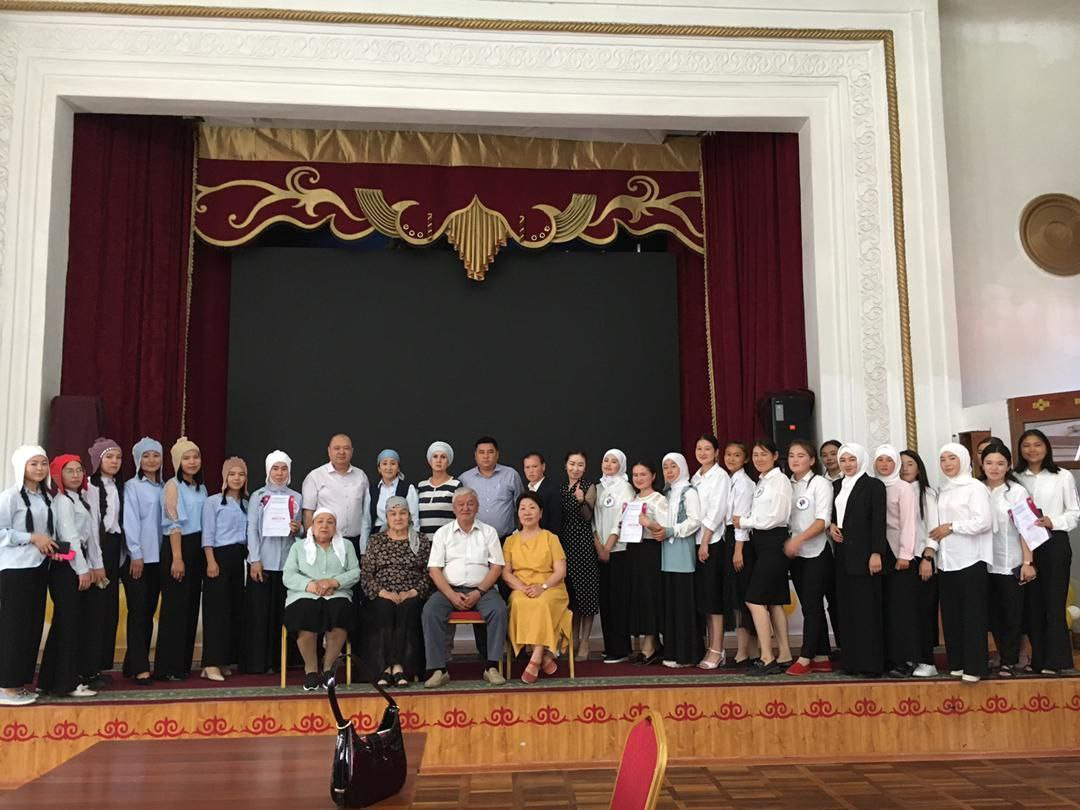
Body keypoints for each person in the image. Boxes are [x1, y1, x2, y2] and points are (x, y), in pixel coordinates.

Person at [422, 487, 508, 687]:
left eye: (470, 504)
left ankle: (492, 667)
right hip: (449, 590)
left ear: (477, 507)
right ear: (454, 509)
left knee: (499, 610)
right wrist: (451, 595)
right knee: (430, 611)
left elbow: (497, 567)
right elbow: (434, 569)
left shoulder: (489, 532)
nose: (465, 508)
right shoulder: (443, 533)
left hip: (483, 590)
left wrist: (479, 592)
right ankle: (438, 670)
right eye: (460, 504)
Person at [1015, 429, 1078, 675]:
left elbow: (1074, 512)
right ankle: (1038, 660)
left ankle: (1058, 661)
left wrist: (1054, 521)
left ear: (1047, 447)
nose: (1032, 450)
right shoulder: (1016, 477)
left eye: (1037, 444)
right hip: (1025, 545)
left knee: (1054, 602)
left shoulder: (1062, 476)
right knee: (1032, 605)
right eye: (1026, 445)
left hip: (1054, 543)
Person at [932, 442, 993, 683]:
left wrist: (952, 527)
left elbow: (983, 522)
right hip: (947, 561)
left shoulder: (975, 487)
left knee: (972, 616)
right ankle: (957, 662)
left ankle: (975, 666)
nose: (947, 463)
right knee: (951, 615)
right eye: (943, 459)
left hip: (971, 559)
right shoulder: (944, 489)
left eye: (952, 458)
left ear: (964, 460)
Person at [0, 445, 56, 706]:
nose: (39, 468)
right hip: (15, 569)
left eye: (43, 463)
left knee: (32, 627)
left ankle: (19, 682)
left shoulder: (46, 497)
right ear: (21, 466)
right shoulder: (10, 496)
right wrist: (32, 537)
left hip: (39, 567)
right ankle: (6, 685)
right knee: (14, 628)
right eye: (33, 463)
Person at [38, 454, 98, 697]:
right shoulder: (63, 501)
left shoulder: (78, 498)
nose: (75, 475)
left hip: (74, 563)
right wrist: (82, 570)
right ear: (58, 476)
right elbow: (70, 537)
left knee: (64, 624)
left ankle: (49, 680)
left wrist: (91, 565)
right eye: (69, 471)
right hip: (67, 568)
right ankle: (67, 683)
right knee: (69, 625)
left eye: (79, 470)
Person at [283, 508, 360, 691]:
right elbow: (288, 575)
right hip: (305, 594)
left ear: (335, 526)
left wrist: (334, 582)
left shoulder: (346, 545)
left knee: (340, 610)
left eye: (330, 522)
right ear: (312, 525)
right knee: (305, 611)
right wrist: (311, 585)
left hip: (336, 593)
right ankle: (310, 670)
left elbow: (355, 572)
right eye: (320, 521)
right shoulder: (298, 547)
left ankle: (328, 669)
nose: (325, 526)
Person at [734, 439, 794, 676]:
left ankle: (767, 657)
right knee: (774, 601)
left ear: (775, 456)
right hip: (762, 543)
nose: (759, 458)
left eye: (764, 454)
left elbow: (776, 517)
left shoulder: (779, 480)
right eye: (756, 454)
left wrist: (744, 521)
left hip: (773, 542)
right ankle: (785, 653)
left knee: (754, 600)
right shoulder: (763, 480)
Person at [361, 496, 432, 686]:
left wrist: (413, 592)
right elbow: (366, 574)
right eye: (393, 514)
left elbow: (428, 573)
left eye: (402, 513)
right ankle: (386, 668)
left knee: (406, 610)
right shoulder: (376, 540)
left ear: (409, 516)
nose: (398, 518)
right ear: (387, 517)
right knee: (384, 609)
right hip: (382, 594)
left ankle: (398, 667)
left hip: (412, 594)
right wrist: (383, 592)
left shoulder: (421, 540)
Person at [243, 450, 303, 675]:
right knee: (260, 615)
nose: (279, 473)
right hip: (263, 562)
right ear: (268, 470)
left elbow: (301, 532)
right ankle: (258, 662)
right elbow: (251, 529)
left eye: (284, 469)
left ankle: (281, 662)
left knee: (282, 613)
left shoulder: (296, 497)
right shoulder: (258, 496)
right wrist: (255, 559)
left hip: (287, 564)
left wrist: (299, 529)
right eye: (275, 468)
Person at [502, 492, 572, 683]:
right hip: (521, 588)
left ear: (540, 513)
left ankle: (535, 657)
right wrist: (522, 587)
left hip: (551, 587)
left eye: (532, 508)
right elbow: (506, 573)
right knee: (518, 602)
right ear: (518, 513)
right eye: (523, 508)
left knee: (541, 603)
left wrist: (542, 587)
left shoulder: (551, 538)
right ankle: (544, 657)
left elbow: (561, 571)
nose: (527, 512)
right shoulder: (510, 541)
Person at [831, 443, 886, 677]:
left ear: (861, 460)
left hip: (865, 555)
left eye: (852, 459)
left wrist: (876, 552)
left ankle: (870, 664)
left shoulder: (873, 485)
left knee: (866, 610)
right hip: (843, 554)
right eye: (843, 460)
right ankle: (851, 662)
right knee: (847, 609)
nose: (847, 464)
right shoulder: (836, 485)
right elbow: (833, 515)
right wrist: (831, 526)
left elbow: (878, 521)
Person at [155, 437, 208, 681]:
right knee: (175, 608)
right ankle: (168, 666)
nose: (192, 462)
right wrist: (177, 558)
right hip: (178, 546)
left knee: (190, 606)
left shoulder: (201, 487)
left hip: (197, 547)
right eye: (186, 458)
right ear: (178, 461)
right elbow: (173, 524)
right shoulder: (172, 486)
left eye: (196, 457)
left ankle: (183, 664)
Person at [783, 439, 835, 676]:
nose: (795, 460)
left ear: (812, 460)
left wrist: (799, 539)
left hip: (817, 551)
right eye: (791, 455)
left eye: (801, 455)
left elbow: (822, 521)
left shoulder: (820, 484)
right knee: (808, 605)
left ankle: (805, 657)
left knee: (813, 605)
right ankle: (821, 656)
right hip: (797, 555)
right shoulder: (788, 484)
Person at [981, 442, 1032, 677]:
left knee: (1012, 613)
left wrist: (1027, 562)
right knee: (992, 615)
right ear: (982, 465)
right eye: (989, 463)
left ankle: (1009, 661)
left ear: (1009, 465)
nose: (994, 468)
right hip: (983, 562)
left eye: (1000, 463)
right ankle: (1002, 655)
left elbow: (1027, 529)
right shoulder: (977, 489)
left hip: (1011, 561)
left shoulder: (1017, 492)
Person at [199, 457, 249, 681]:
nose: (236, 478)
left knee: (233, 610)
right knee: (216, 612)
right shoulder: (213, 502)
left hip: (238, 558)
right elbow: (208, 534)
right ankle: (210, 663)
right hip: (218, 558)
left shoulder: (247, 504)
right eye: (232, 474)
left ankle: (223, 659)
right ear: (224, 477)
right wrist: (211, 561)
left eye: (241, 474)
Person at [873, 444, 919, 677]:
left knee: (901, 609)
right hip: (878, 552)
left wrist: (905, 554)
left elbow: (909, 523)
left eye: (889, 460)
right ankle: (888, 658)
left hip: (899, 554)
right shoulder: (872, 485)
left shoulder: (903, 487)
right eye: (880, 460)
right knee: (884, 608)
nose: (884, 464)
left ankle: (906, 659)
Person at [121, 437, 164, 685]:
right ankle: (140, 667)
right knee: (138, 611)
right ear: (138, 460)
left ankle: (133, 662)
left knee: (148, 611)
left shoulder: (166, 487)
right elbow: (130, 521)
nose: (151, 460)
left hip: (160, 558)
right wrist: (135, 553)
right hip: (139, 559)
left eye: (156, 455)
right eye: (146, 456)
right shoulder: (132, 486)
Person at [654, 452, 703, 668]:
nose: (669, 471)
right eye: (665, 467)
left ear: (682, 467)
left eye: (673, 466)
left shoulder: (689, 492)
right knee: (672, 604)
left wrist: (672, 530)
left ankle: (687, 654)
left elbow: (695, 520)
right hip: (667, 553)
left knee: (684, 604)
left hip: (683, 552)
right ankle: (672, 651)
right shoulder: (665, 493)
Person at [690, 434, 731, 670]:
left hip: (712, 542)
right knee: (704, 598)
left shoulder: (720, 476)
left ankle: (717, 649)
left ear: (716, 452)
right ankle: (710, 647)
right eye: (699, 448)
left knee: (714, 598)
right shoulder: (695, 477)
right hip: (695, 542)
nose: (702, 453)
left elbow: (716, 511)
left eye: (707, 449)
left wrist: (705, 541)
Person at [86, 436, 124, 680]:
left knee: (109, 609)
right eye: (109, 457)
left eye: (118, 457)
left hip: (113, 549)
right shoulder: (90, 487)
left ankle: (100, 665)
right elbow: (91, 526)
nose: (114, 461)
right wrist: (95, 560)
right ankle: (87, 667)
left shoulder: (119, 486)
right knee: (94, 609)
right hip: (96, 549)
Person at [900, 449, 941, 678]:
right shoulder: (894, 491)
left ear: (918, 468)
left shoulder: (927, 493)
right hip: (901, 560)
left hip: (921, 558)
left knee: (924, 611)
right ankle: (909, 656)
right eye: (901, 464)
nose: (905, 468)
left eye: (910, 464)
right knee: (906, 612)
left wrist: (928, 557)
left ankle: (927, 660)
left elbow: (933, 529)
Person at [593, 449, 636, 664]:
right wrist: (599, 546)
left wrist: (608, 547)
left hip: (618, 551)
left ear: (621, 465)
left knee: (619, 601)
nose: (608, 464)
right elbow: (593, 520)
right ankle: (609, 645)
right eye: (605, 460)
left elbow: (622, 519)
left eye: (613, 462)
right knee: (606, 601)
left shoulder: (625, 488)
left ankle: (621, 649)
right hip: (600, 550)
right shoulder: (598, 487)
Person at [624, 460, 668, 666]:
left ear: (653, 476)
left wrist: (649, 523)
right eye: (635, 475)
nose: (639, 478)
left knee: (650, 596)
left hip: (651, 551)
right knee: (639, 596)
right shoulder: (633, 500)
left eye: (643, 474)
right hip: (635, 551)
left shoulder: (659, 499)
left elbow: (665, 529)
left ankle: (650, 645)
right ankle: (651, 644)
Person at [301, 433, 371, 556]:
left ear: (352, 451)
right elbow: (308, 513)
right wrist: (312, 541)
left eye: (346, 448)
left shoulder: (361, 476)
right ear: (329, 451)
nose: (341, 452)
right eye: (337, 448)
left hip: (356, 542)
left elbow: (366, 511)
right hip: (326, 542)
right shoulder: (315, 476)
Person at [559, 450, 598, 660]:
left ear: (585, 467)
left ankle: (585, 642)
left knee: (587, 596)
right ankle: (571, 639)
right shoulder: (560, 487)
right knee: (571, 597)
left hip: (583, 545)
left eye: (580, 465)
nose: (575, 468)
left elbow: (588, 516)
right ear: (565, 465)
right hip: (564, 545)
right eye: (572, 464)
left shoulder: (588, 486)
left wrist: (582, 500)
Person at [725, 441, 759, 667]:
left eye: (737, 455)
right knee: (738, 597)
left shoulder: (745, 484)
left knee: (742, 597)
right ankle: (750, 651)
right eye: (728, 454)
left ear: (745, 459)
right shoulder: (730, 481)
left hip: (741, 542)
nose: (731, 459)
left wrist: (738, 551)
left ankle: (743, 653)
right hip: (732, 538)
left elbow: (741, 521)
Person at [459, 436, 523, 540]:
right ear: (475, 455)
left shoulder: (511, 475)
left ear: (497, 454)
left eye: (490, 452)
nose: (486, 456)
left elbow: (521, 506)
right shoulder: (464, 479)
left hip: (506, 540)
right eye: (481, 452)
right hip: (473, 540)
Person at [369, 449, 419, 534]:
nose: (388, 468)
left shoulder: (408, 488)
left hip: (401, 534)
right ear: (379, 469)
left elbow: (414, 518)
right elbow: (367, 520)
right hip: (377, 534)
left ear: (398, 468)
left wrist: (414, 538)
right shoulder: (373, 489)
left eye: (393, 464)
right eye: (384, 464)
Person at [416, 441, 461, 537]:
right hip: (424, 542)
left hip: (447, 541)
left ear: (448, 461)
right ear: (430, 461)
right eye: (435, 456)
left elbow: (461, 516)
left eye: (443, 457)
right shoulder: (421, 486)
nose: (439, 460)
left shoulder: (456, 485)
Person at [522, 451, 563, 536]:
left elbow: (556, 523)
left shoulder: (553, 490)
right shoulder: (526, 490)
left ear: (543, 467)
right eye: (527, 467)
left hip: (546, 540)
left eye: (534, 466)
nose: (531, 471)